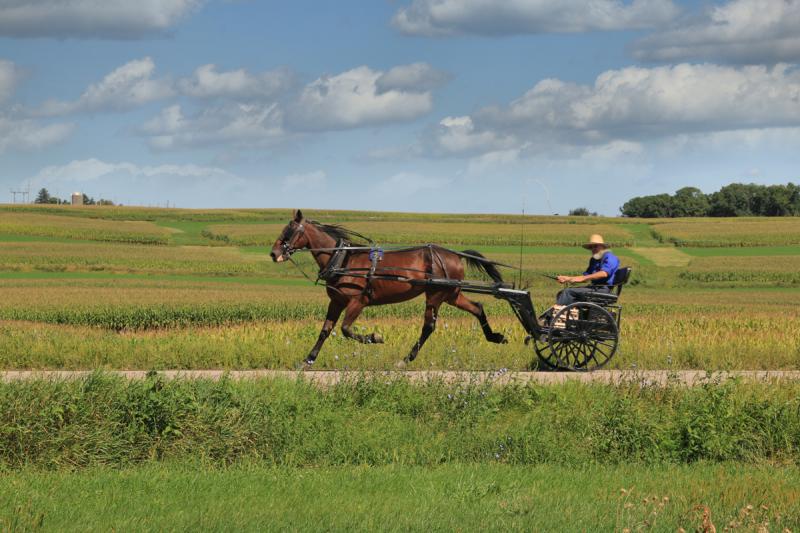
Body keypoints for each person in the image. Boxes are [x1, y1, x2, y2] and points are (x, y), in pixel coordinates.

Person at [555, 234, 619, 306]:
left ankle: (557, 311)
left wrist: (583, 278)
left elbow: (604, 273)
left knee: (568, 292)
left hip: (603, 289)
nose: (593, 249)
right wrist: (568, 278)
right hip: (594, 288)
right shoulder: (594, 260)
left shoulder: (610, 257)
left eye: (595, 246)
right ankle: (571, 311)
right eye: (591, 247)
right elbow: (585, 277)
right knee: (562, 293)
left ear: (602, 247)